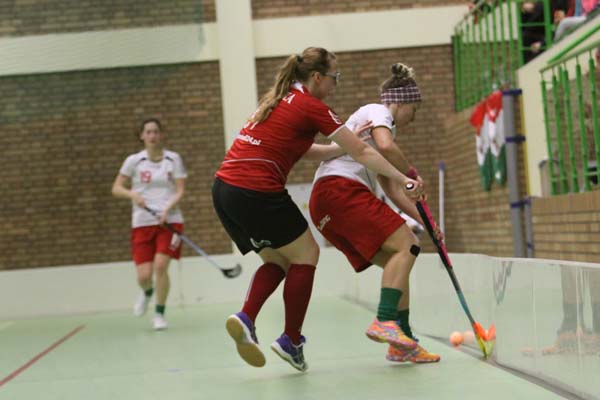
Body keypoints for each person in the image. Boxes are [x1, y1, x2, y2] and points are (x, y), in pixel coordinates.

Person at [212, 47, 423, 372]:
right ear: (317, 77)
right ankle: (291, 339)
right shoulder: (311, 106)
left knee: (277, 259)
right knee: (307, 254)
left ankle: (246, 317)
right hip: (257, 188)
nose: (336, 84)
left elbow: (307, 151)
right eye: (334, 78)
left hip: (224, 190)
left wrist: (340, 146)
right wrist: (405, 178)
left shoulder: (276, 100)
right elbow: (364, 152)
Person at [309, 62, 442, 363]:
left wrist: (429, 222)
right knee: (408, 245)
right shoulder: (378, 111)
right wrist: (410, 175)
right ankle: (384, 321)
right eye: (414, 110)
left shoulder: (378, 140)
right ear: (400, 102)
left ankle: (402, 343)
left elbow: (393, 191)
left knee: (399, 262)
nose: (413, 118)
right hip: (341, 191)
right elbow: (387, 146)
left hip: (324, 205)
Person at [112, 118, 187, 330]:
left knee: (161, 267)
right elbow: (116, 188)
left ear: (161, 135)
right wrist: (132, 195)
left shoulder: (173, 159)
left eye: (155, 132)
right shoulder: (134, 161)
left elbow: (180, 190)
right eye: (148, 132)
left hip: (170, 221)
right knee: (144, 276)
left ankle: (159, 314)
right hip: (142, 222)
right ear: (142, 136)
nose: (152, 136)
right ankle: (147, 292)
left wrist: (168, 209)